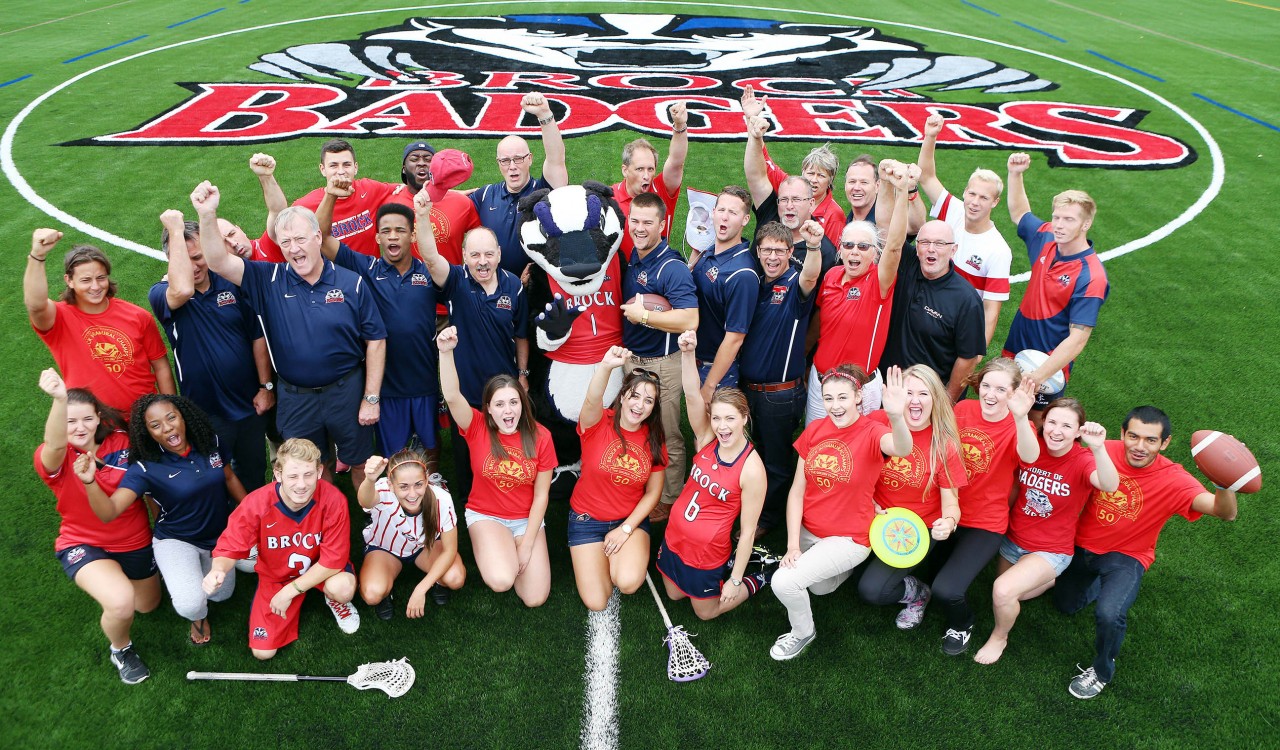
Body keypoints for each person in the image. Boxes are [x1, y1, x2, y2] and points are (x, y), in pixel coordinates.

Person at [192, 181, 386, 490]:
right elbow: (217, 261)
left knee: (361, 460)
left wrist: (371, 398)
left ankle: (371, 524)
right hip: (295, 398)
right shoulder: (267, 279)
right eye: (285, 242)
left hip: (346, 392)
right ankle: (322, 523)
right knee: (310, 467)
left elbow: (375, 340)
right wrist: (206, 214)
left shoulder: (352, 283)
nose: (294, 248)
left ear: (318, 237)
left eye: (300, 239)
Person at [1053, 406, 1239, 699]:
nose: (1140, 447)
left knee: (1109, 613)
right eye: (1134, 437)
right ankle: (1099, 585)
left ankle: (1101, 670)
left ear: (1164, 443)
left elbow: (1223, 512)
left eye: (1151, 440)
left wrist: (1223, 481)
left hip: (1126, 556)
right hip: (1078, 544)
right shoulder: (1101, 450)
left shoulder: (1174, 479)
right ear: (1123, 434)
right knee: (1065, 605)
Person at [769, 364, 912, 660]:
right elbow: (797, 491)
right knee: (820, 588)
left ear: (858, 396)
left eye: (842, 397)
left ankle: (802, 632)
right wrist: (793, 544)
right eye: (828, 398)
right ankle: (834, 565)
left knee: (784, 582)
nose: (835, 406)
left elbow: (902, 448)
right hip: (810, 531)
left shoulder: (874, 432)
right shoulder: (815, 430)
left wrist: (897, 416)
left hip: (850, 536)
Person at [81, 394, 247, 646]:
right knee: (191, 603)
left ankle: (190, 576)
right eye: (155, 425)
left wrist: (251, 515)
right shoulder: (145, 468)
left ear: (184, 417)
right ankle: (198, 617)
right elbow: (109, 511)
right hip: (176, 539)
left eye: (171, 418)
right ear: (147, 432)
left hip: (220, 536)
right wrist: (90, 482)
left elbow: (229, 478)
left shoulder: (209, 441)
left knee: (222, 595)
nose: (167, 427)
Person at [34, 369, 159, 684]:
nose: (79, 428)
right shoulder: (54, 457)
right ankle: (122, 649)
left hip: (134, 540)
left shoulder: (123, 443)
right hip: (83, 543)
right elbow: (54, 442)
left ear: (99, 418)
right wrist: (60, 399)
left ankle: (116, 580)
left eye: (86, 419)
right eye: (69, 421)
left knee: (148, 606)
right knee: (121, 604)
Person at [974, 398, 1118, 665]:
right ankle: (1053, 580)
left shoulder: (1083, 460)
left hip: (1050, 549)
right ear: (1043, 423)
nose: (1056, 430)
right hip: (1013, 540)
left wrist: (1098, 449)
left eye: (1066, 425)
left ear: (1078, 432)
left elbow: (1109, 485)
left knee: (1003, 591)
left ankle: (999, 637)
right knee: (1019, 594)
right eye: (1052, 422)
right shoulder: (1032, 448)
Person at [416, 188, 529, 501]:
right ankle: (471, 502)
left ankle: (506, 495)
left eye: (489, 254)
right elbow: (428, 255)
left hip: (503, 389)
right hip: (464, 391)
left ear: (499, 255)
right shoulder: (454, 280)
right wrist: (423, 216)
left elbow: (521, 334)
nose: (483, 262)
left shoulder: (514, 285)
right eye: (475, 255)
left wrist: (523, 373)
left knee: (505, 445)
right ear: (464, 257)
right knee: (468, 452)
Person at [203, 438, 360, 659]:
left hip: (319, 569)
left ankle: (330, 597)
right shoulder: (256, 503)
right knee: (262, 653)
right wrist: (218, 570)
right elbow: (230, 546)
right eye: (293, 476)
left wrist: (289, 592)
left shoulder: (334, 499)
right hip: (276, 575)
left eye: (308, 474)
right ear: (278, 475)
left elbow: (332, 561)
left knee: (342, 589)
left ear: (319, 471)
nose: (302, 484)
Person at [316, 186, 441, 464]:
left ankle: (434, 487)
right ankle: (395, 500)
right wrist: (332, 194)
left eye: (399, 230)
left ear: (412, 235)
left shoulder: (430, 271)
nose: (393, 236)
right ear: (377, 237)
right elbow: (321, 237)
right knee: (392, 454)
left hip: (425, 380)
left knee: (431, 446)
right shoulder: (365, 268)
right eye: (386, 231)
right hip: (385, 385)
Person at [152, 210, 273, 491]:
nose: (193, 266)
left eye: (198, 257)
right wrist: (174, 229)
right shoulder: (161, 293)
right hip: (205, 412)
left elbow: (257, 336)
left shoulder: (232, 282)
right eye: (183, 259)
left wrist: (266, 386)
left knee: (254, 471)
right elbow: (181, 290)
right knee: (214, 478)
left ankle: (251, 527)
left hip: (249, 404)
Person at [438, 326, 556, 607]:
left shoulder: (541, 436)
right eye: (500, 404)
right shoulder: (476, 425)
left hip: (526, 518)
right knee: (503, 580)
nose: (508, 411)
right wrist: (446, 352)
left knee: (535, 598)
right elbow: (453, 396)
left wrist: (527, 543)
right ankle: (501, 553)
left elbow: (541, 495)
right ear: (488, 408)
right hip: (487, 515)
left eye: (514, 402)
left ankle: (513, 551)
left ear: (522, 404)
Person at [655, 330, 770, 621]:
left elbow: (746, 532)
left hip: (706, 553)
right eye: (717, 417)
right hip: (675, 539)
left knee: (706, 613)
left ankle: (761, 576)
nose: (722, 426)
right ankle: (732, 568)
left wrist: (736, 581)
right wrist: (688, 353)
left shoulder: (752, 469)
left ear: (745, 418)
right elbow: (693, 395)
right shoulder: (707, 438)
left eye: (730, 418)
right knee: (673, 594)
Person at [931, 358, 1039, 655]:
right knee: (919, 571)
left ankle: (962, 623)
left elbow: (1029, 457)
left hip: (984, 523)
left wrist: (1020, 417)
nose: (990, 395)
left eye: (1001, 389)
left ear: (1014, 394)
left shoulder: (1022, 425)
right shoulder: (964, 409)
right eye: (987, 386)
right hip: (945, 510)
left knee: (946, 590)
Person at [858, 365, 967, 629]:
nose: (915, 400)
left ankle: (919, 594)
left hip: (914, 529)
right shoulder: (878, 421)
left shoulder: (945, 443)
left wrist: (949, 522)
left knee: (871, 590)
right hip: (872, 515)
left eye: (924, 393)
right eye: (908, 393)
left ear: (935, 399)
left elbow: (951, 503)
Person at [1002, 153, 1110, 412]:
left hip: (1046, 366)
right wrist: (1015, 174)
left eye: (1069, 220)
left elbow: (1078, 340)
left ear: (1086, 223)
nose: (1059, 225)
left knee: (1038, 423)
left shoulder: (1091, 276)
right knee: (1001, 412)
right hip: (1015, 348)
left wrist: (1037, 376)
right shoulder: (1046, 236)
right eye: (1057, 217)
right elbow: (1020, 214)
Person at [26, 230, 174, 415]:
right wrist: (37, 256)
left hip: (142, 420)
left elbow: (161, 367)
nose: (95, 287)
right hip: (92, 427)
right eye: (86, 280)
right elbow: (36, 306)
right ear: (69, 281)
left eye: (101, 278)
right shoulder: (59, 318)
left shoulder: (138, 316)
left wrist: (170, 412)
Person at [807, 160, 911, 423]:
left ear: (875, 254)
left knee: (855, 459)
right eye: (849, 245)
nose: (855, 251)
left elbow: (895, 246)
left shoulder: (879, 282)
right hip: (820, 384)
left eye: (863, 247)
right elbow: (820, 325)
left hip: (859, 390)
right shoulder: (830, 276)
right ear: (840, 249)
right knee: (816, 449)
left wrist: (902, 193)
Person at [617, 192, 699, 522]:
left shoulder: (671, 267)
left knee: (667, 434)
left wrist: (645, 317)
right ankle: (641, 485)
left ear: (662, 225)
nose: (639, 228)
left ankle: (671, 498)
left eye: (647, 222)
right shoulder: (635, 258)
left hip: (662, 364)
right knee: (636, 429)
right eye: (634, 220)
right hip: (634, 360)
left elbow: (690, 318)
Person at [738, 221, 822, 536]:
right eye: (767, 250)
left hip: (779, 395)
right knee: (752, 453)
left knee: (775, 461)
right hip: (748, 390)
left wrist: (813, 247)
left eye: (779, 250)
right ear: (757, 252)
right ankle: (752, 506)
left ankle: (768, 518)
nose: (773, 256)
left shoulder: (794, 284)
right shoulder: (754, 281)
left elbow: (811, 274)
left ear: (790, 252)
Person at [568, 347, 667, 611]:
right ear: (622, 397)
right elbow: (592, 399)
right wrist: (606, 366)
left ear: (654, 407)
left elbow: (653, 493)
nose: (639, 405)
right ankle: (601, 555)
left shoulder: (654, 438)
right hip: (586, 519)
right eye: (634, 396)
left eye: (648, 401)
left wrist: (626, 529)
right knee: (597, 602)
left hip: (628, 520)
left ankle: (619, 556)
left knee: (627, 582)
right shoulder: (597, 422)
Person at [917, 113, 1012, 345]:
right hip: (926, 309)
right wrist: (930, 136)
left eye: (983, 197)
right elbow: (926, 176)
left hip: (956, 327)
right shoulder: (954, 210)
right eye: (972, 194)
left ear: (995, 202)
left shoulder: (998, 250)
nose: (975, 202)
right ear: (965, 192)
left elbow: (991, 311)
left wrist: (976, 355)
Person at [878, 218, 986, 402]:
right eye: (925, 242)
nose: (931, 249)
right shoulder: (907, 264)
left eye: (940, 243)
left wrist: (946, 402)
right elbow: (886, 225)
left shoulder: (967, 300)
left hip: (926, 398)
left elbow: (967, 359)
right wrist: (903, 191)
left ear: (953, 250)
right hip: (887, 387)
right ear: (917, 247)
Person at [357, 449, 466, 620]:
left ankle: (437, 582)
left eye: (418, 484)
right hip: (386, 548)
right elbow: (364, 501)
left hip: (425, 547)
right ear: (391, 485)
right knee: (372, 594)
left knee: (455, 578)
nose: (413, 494)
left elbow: (450, 550)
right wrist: (370, 480)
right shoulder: (382, 489)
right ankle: (387, 588)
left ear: (427, 479)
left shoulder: (441, 499)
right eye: (404, 487)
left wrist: (421, 588)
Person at [470, 93, 570, 277]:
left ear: (530, 159)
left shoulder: (545, 191)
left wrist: (544, 115)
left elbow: (556, 158)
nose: (513, 167)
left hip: (535, 288)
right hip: (493, 288)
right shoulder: (485, 195)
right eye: (506, 161)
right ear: (498, 163)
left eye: (518, 159)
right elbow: (452, 200)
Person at [740, 86, 845, 246]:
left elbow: (833, 257)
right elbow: (763, 163)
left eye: (821, 175)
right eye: (810, 173)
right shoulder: (789, 185)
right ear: (802, 172)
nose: (814, 180)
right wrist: (752, 120)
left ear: (831, 180)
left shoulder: (834, 215)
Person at [743, 116, 838, 280]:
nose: (789, 205)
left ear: (811, 203)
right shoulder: (771, 213)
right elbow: (755, 175)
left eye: (796, 200)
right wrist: (755, 136)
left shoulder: (825, 251)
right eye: (784, 199)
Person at [689, 185, 758, 398]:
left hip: (717, 370)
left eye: (733, 213)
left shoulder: (742, 274)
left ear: (745, 220)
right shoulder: (709, 251)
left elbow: (735, 338)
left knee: (717, 430)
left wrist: (710, 385)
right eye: (721, 210)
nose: (724, 218)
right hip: (695, 359)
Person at [293, 138, 411, 257]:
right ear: (323, 169)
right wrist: (331, 195)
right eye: (333, 166)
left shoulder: (369, 189)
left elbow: (404, 189)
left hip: (369, 273)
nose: (341, 171)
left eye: (346, 165)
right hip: (331, 275)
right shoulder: (304, 206)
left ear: (355, 167)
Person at [612, 102, 688, 255]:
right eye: (640, 169)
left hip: (656, 272)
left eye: (650, 169)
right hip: (622, 274)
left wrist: (679, 126)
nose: (646, 176)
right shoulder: (609, 197)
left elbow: (676, 162)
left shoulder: (662, 189)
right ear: (625, 170)